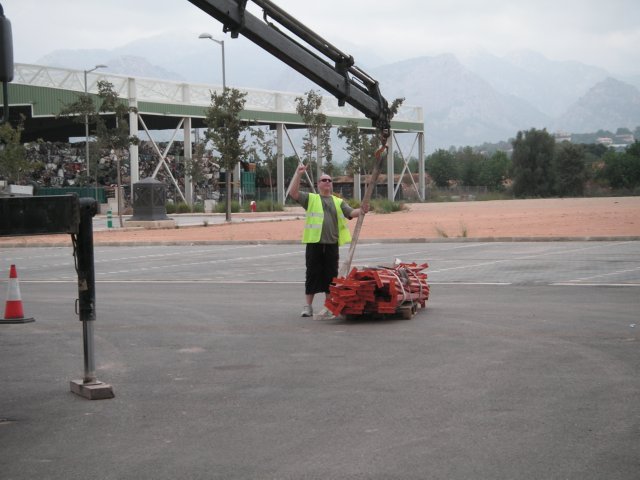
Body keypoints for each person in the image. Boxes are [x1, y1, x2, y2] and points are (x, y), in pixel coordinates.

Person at [289, 165, 368, 317]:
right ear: (318, 184)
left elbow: (351, 212)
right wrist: (298, 174)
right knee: (312, 274)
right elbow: (293, 193)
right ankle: (308, 306)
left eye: (329, 180)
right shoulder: (311, 198)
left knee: (331, 276)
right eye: (323, 180)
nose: (326, 182)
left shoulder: (338, 202)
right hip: (314, 244)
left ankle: (329, 306)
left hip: (331, 244)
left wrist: (362, 210)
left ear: (331, 184)